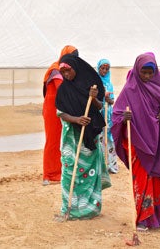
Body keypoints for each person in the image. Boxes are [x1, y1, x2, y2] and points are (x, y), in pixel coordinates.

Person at [111, 52, 160, 231]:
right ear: (137, 70)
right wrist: (123, 117)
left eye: (150, 73)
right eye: (144, 73)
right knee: (142, 179)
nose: (147, 76)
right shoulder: (129, 90)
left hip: (158, 142)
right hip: (139, 143)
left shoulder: (159, 88)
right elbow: (116, 114)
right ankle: (144, 218)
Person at [54, 53, 111, 220]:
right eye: (63, 72)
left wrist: (93, 98)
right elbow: (61, 113)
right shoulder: (63, 89)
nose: (66, 75)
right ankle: (68, 208)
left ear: (76, 68)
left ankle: (89, 209)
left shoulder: (90, 85)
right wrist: (76, 119)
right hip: (71, 138)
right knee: (69, 172)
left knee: (89, 173)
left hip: (89, 136)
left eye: (68, 71)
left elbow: (100, 106)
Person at [42, 45, 79, 186]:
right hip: (52, 110)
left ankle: (57, 173)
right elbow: (62, 89)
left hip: (60, 109)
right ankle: (48, 174)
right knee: (52, 141)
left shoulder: (64, 70)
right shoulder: (56, 70)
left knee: (60, 141)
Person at [96, 58, 118, 174]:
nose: (104, 71)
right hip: (98, 115)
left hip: (108, 116)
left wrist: (109, 99)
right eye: (102, 68)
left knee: (109, 140)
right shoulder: (95, 82)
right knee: (99, 139)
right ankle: (100, 166)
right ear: (98, 68)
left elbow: (112, 101)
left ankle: (112, 166)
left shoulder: (110, 84)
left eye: (106, 69)